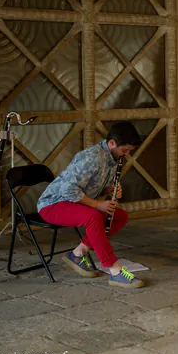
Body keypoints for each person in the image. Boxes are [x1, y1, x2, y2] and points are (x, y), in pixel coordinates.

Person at [37, 121, 145, 288]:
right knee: (93, 216)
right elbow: (68, 189)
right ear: (112, 143)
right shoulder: (92, 157)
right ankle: (114, 269)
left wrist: (109, 190)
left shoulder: (112, 157)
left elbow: (89, 186)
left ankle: (78, 253)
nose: (126, 154)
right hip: (53, 204)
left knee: (119, 216)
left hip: (75, 202)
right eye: (125, 150)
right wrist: (97, 204)